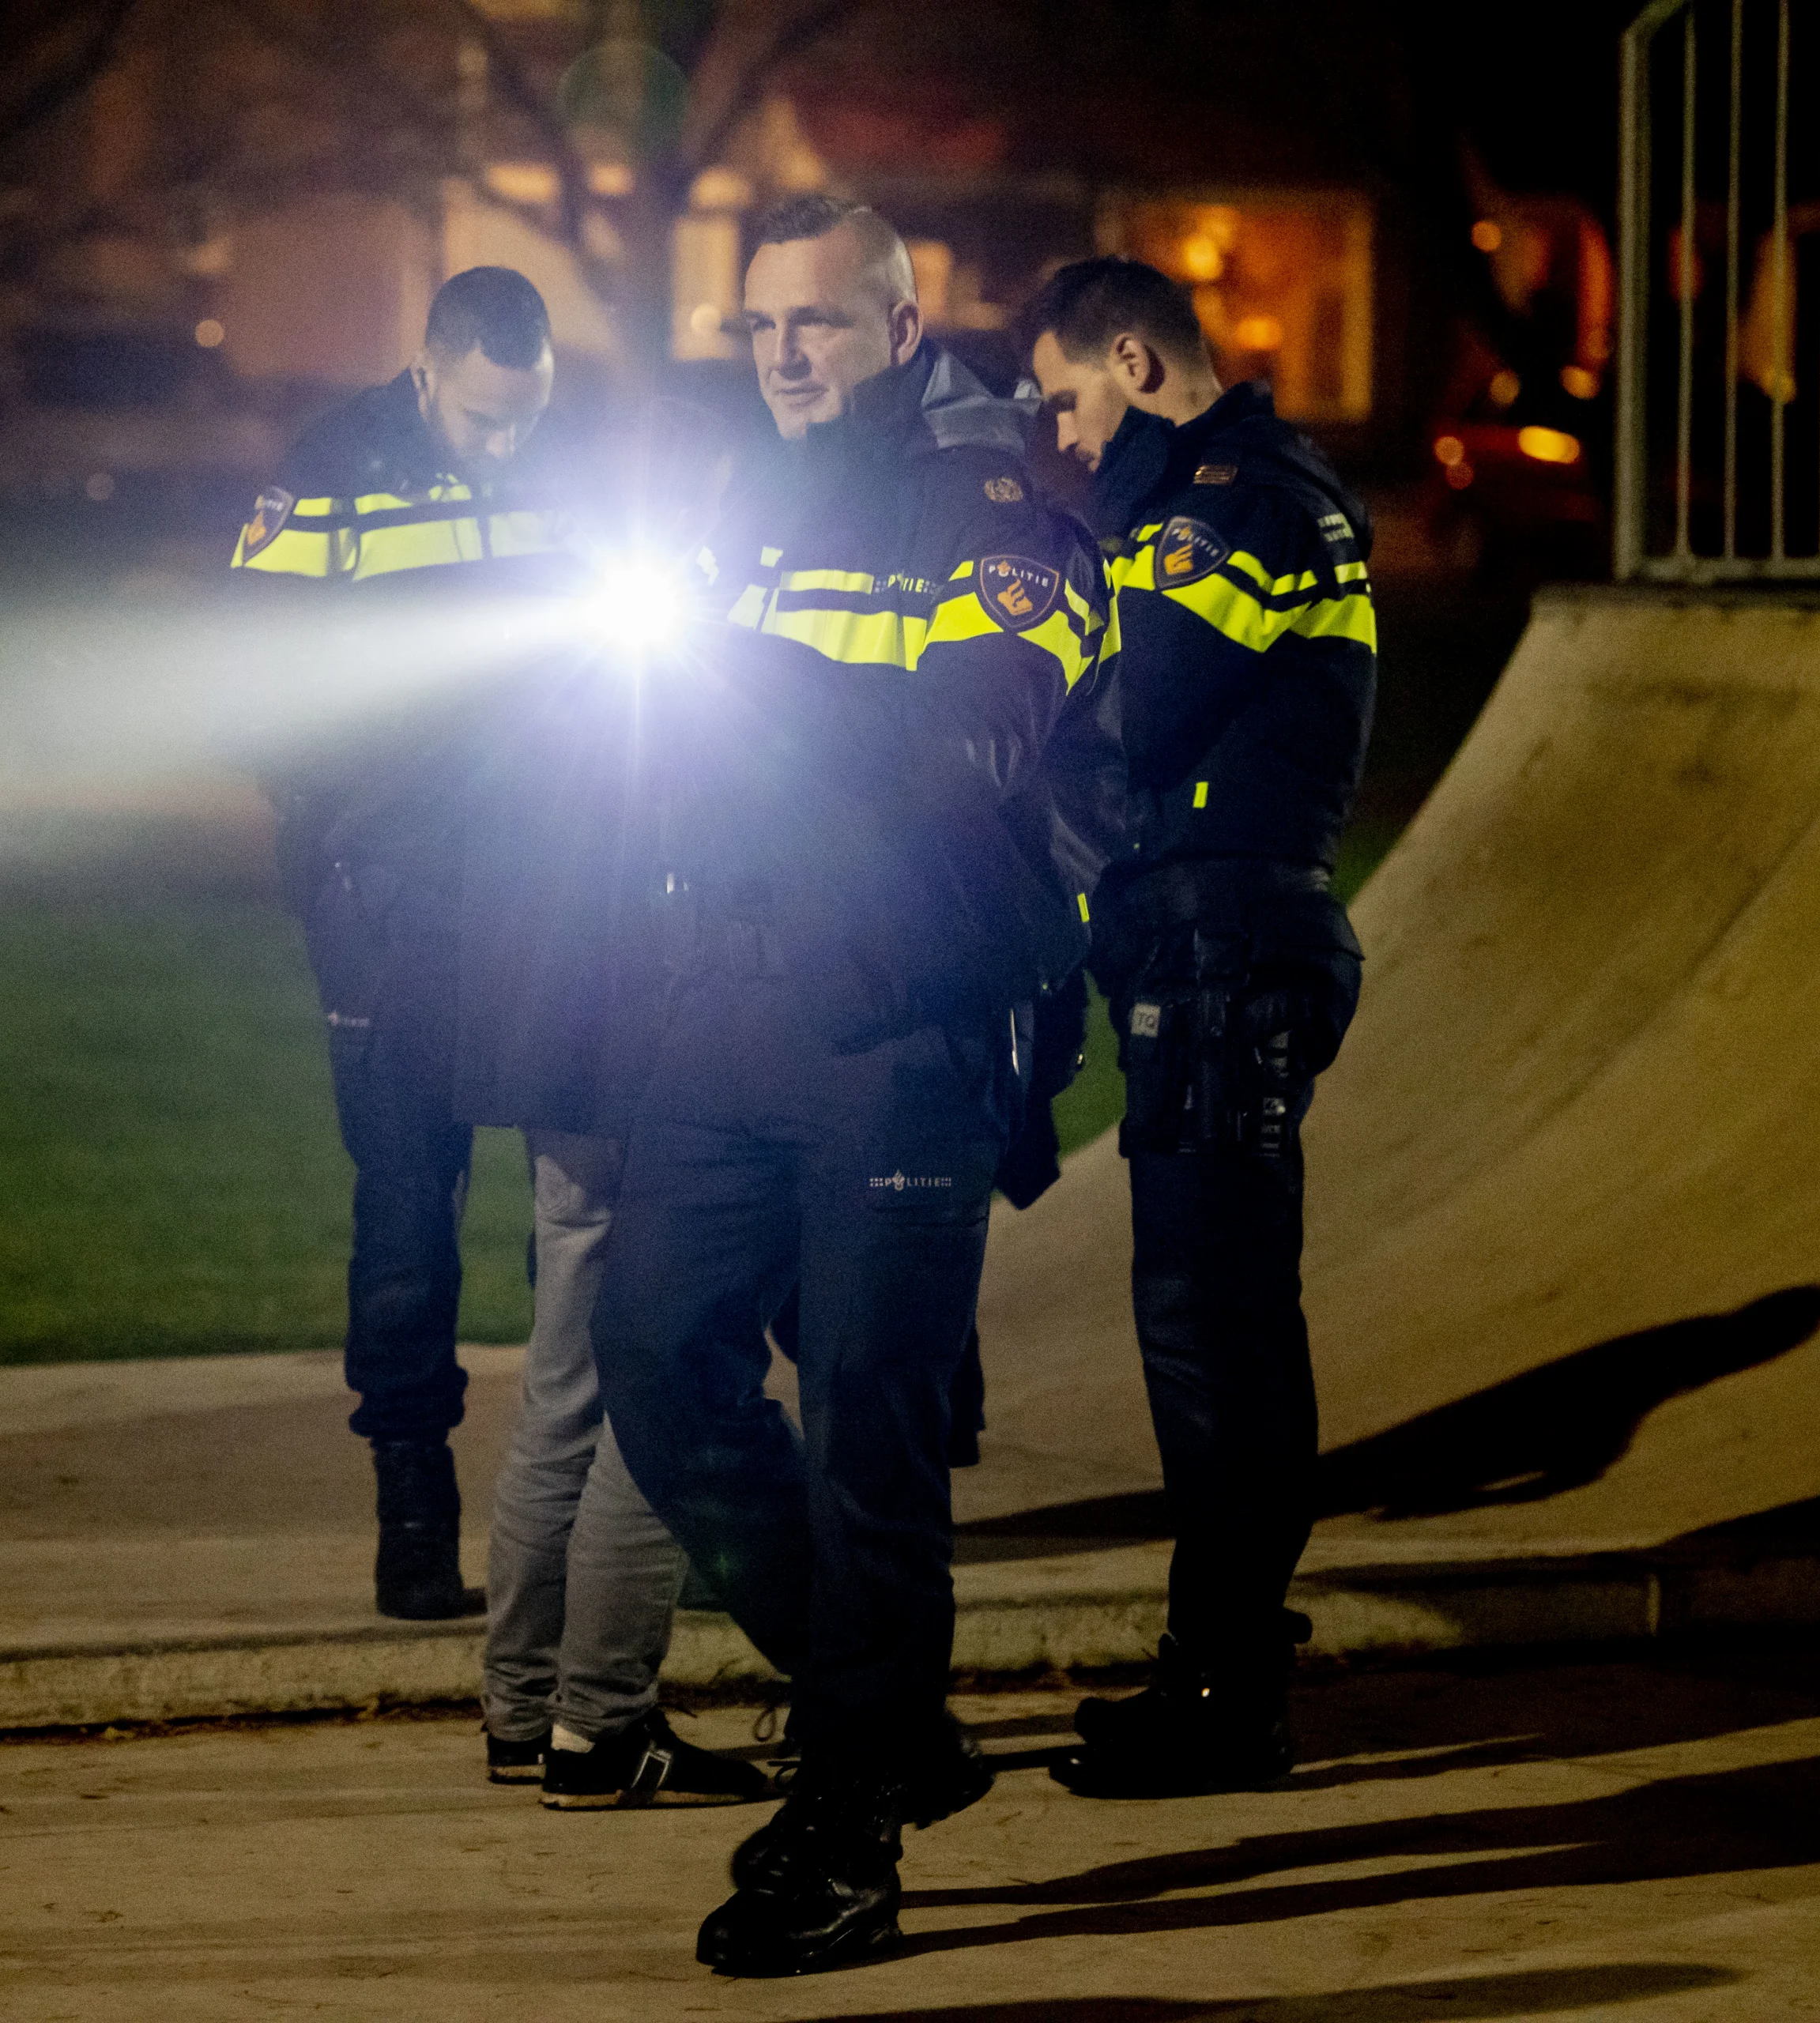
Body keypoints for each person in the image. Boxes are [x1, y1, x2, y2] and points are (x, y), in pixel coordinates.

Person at [591, 195, 1098, 1974]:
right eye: (759, 326)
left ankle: (854, 1830)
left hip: (899, 1026)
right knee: (657, 1364)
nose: (782, 353)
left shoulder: (991, 502)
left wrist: (748, 680)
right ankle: (886, 1712)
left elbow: (974, 743)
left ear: (897, 329)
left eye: (814, 322)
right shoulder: (734, 508)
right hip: (722, 1002)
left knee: (874, 1430)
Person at [1020, 256, 1375, 1799]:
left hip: (1223, 950)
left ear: (1133, 362)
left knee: (1211, 1324)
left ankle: (1228, 1691)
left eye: (1065, 397)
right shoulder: (1244, 489)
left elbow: (1120, 710)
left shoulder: (1228, 502)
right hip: (1216, 942)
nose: (1061, 433)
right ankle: (1216, 1663)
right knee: (1220, 1320)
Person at [231, 267, 572, 1620]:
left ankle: (606, 1494)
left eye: (528, 418)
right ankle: (414, 1511)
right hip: (394, 892)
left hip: (547, 884)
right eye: (487, 418)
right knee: (407, 1211)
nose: (509, 443)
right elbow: (261, 690)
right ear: (429, 370)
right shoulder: (326, 475)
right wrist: (360, 822)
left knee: (588, 1199)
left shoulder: (578, 462)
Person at [455, 404, 771, 1810]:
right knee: (667, 1385)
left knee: (562, 1386)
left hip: (554, 1055)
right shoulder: (701, 655)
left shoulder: (542, 637)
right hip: (656, 1061)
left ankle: (523, 1712)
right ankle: (602, 1722)